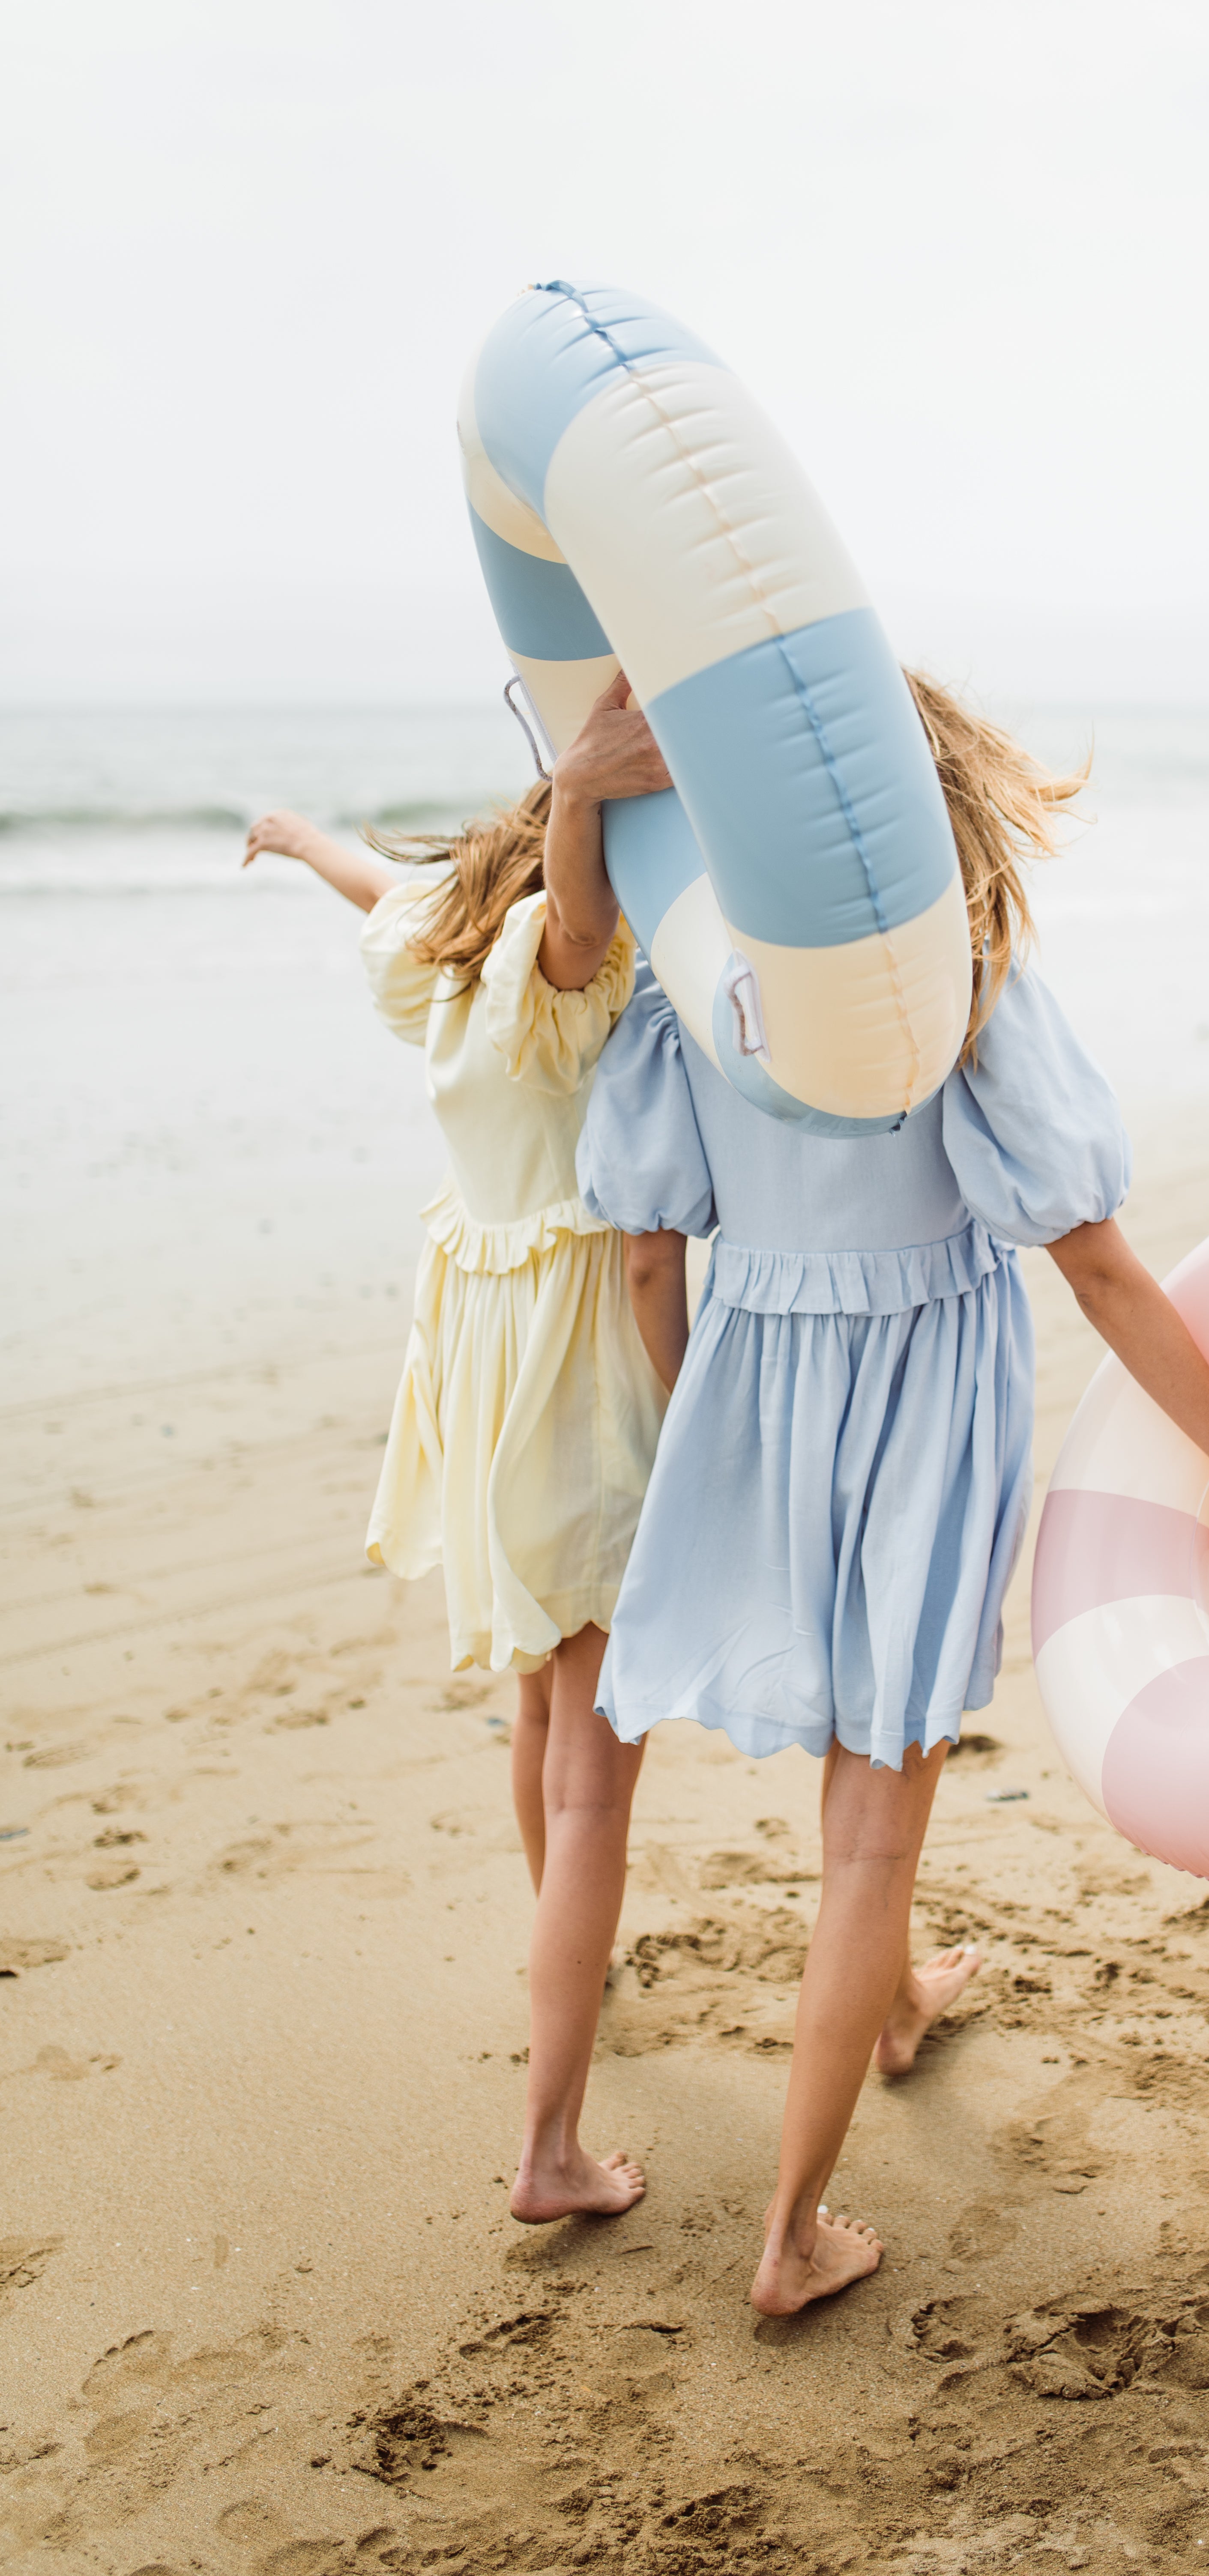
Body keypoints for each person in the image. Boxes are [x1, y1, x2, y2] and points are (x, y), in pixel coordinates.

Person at [575, 673, 1209, 2313]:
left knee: (843, 1765)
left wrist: (714, 1426)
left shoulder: (691, 980)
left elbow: (640, 1253)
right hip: (917, 1393)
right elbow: (1096, 1263)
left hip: (753, 1381)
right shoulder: (953, 981)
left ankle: (899, 2001)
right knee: (870, 1829)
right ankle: (789, 2236)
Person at [242, 675, 687, 2222]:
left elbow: (389, 893)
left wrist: (302, 840)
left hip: (480, 1363)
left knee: (535, 1709)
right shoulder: (563, 980)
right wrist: (582, 783)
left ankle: (571, 1955)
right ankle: (551, 2148)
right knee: (595, 1782)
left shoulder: (441, 967)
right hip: (575, 1364)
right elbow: (574, 916)